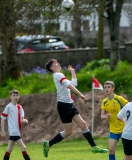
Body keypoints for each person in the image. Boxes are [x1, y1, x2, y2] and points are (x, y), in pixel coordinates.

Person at [43, 58, 108, 158]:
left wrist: (73, 72)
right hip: (63, 106)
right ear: (52, 67)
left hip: (69, 104)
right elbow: (70, 86)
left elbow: (74, 84)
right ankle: (48, 144)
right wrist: (80, 94)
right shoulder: (57, 75)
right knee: (68, 132)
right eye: (55, 63)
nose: (58, 63)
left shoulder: (60, 76)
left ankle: (94, 147)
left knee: (83, 124)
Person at [100, 81, 128, 160]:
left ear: (113, 89)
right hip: (113, 130)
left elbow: (129, 107)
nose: (106, 89)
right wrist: (105, 116)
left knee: (128, 151)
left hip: (124, 129)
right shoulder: (104, 101)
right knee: (111, 150)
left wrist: (126, 118)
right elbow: (101, 116)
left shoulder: (119, 99)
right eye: (105, 87)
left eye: (109, 87)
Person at [1, 90, 31, 160]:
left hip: (17, 130)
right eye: (14, 95)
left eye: (17, 95)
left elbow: (21, 119)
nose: (15, 97)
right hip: (13, 131)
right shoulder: (8, 107)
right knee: (23, 147)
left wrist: (24, 120)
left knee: (9, 149)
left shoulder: (19, 107)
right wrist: (2, 130)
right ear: (10, 97)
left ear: (19, 97)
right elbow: (3, 118)